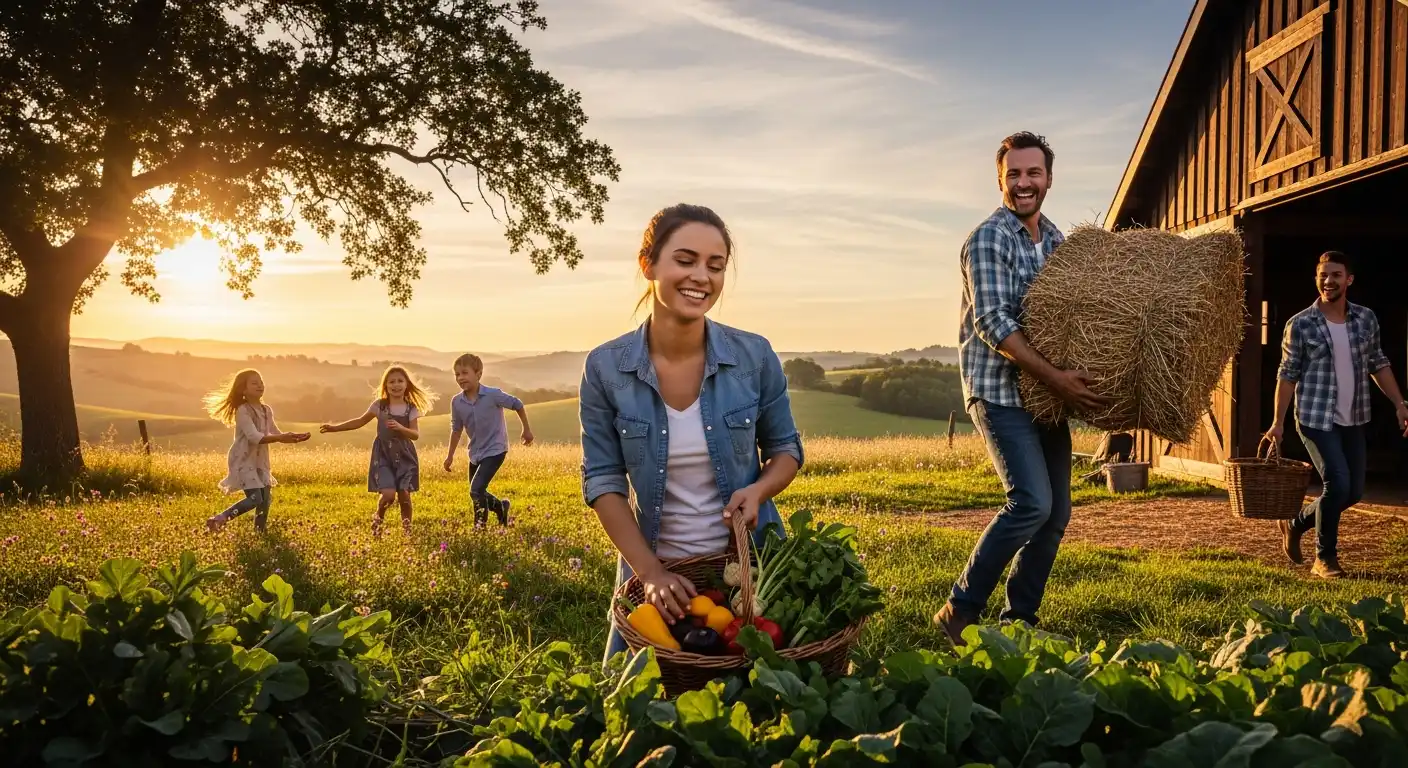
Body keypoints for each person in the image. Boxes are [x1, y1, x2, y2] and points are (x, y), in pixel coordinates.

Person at [579, 203, 804, 667]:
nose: (701, 276)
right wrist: (651, 572)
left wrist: (759, 490)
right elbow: (603, 481)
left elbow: (786, 450)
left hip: (749, 574)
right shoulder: (605, 367)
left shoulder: (754, 356)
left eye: (715, 266)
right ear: (649, 265)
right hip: (657, 577)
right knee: (621, 709)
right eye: (685, 260)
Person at [933, 131, 1111, 646]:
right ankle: (959, 609)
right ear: (1000, 180)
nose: (1024, 183)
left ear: (1049, 178)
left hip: (1046, 398)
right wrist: (1058, 378)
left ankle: (1020, 620)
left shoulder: (1057, 240)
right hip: (999, 391)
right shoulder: (989, 238)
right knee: (1030, 501)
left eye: (1033, 173)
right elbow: (992, 321)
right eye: (1014, 174)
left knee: (1056, 514)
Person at [1267, 251, 1408, 578]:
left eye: (1335, 275)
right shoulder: (1300, 324)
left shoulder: (1365, 319)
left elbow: (1378, 363)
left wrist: (1400, 403)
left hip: (1353, 416)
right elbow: (1287, 375)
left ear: (1349, 280)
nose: (1328, 281)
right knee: (1338, 483)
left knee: (1353, 491)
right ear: (1317, 279)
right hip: (1316, 418)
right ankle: (1324, 558)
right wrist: (1277, 422)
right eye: (1323, 275)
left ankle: (1295, 523)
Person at [321, 365, 436, 536]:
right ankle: (378, 519)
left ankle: (407, 533)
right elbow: (359, 421)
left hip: (405, 455)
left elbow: (415, 435)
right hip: (383, 455)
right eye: (391, 382)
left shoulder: (411, 408)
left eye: (400, 381)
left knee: (405, 495)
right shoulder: (379, 406)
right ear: (385, 386)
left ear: (406, 384)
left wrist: (400, 427)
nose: (396, 385)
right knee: (389, 495)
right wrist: (334, 428)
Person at [203, 369, 310, 533]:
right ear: (243, 390)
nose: (260, 385)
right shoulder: (243, 410)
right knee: (255, 498)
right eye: (254, 383)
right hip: (244, 459)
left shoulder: (266, 410)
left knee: (265, 500)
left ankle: (259, 533)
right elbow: (254, 437)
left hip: (260, 461)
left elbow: (273, 432)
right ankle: (220, 519)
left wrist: (292, 437)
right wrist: (281, 437)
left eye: (261, 382)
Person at [443, 353, 535, 527]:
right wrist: (449, 456)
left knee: (475, 490)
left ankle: (480, 529)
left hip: (496, 449)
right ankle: (501, 507)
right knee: (476, 493)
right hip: (475, 452)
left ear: (478, 374)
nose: (460, 378)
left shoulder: (493, 395)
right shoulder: (457, 402)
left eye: (464, 373)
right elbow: (456, 429)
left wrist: (526, 430)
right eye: (457, 374)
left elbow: (518, 404)